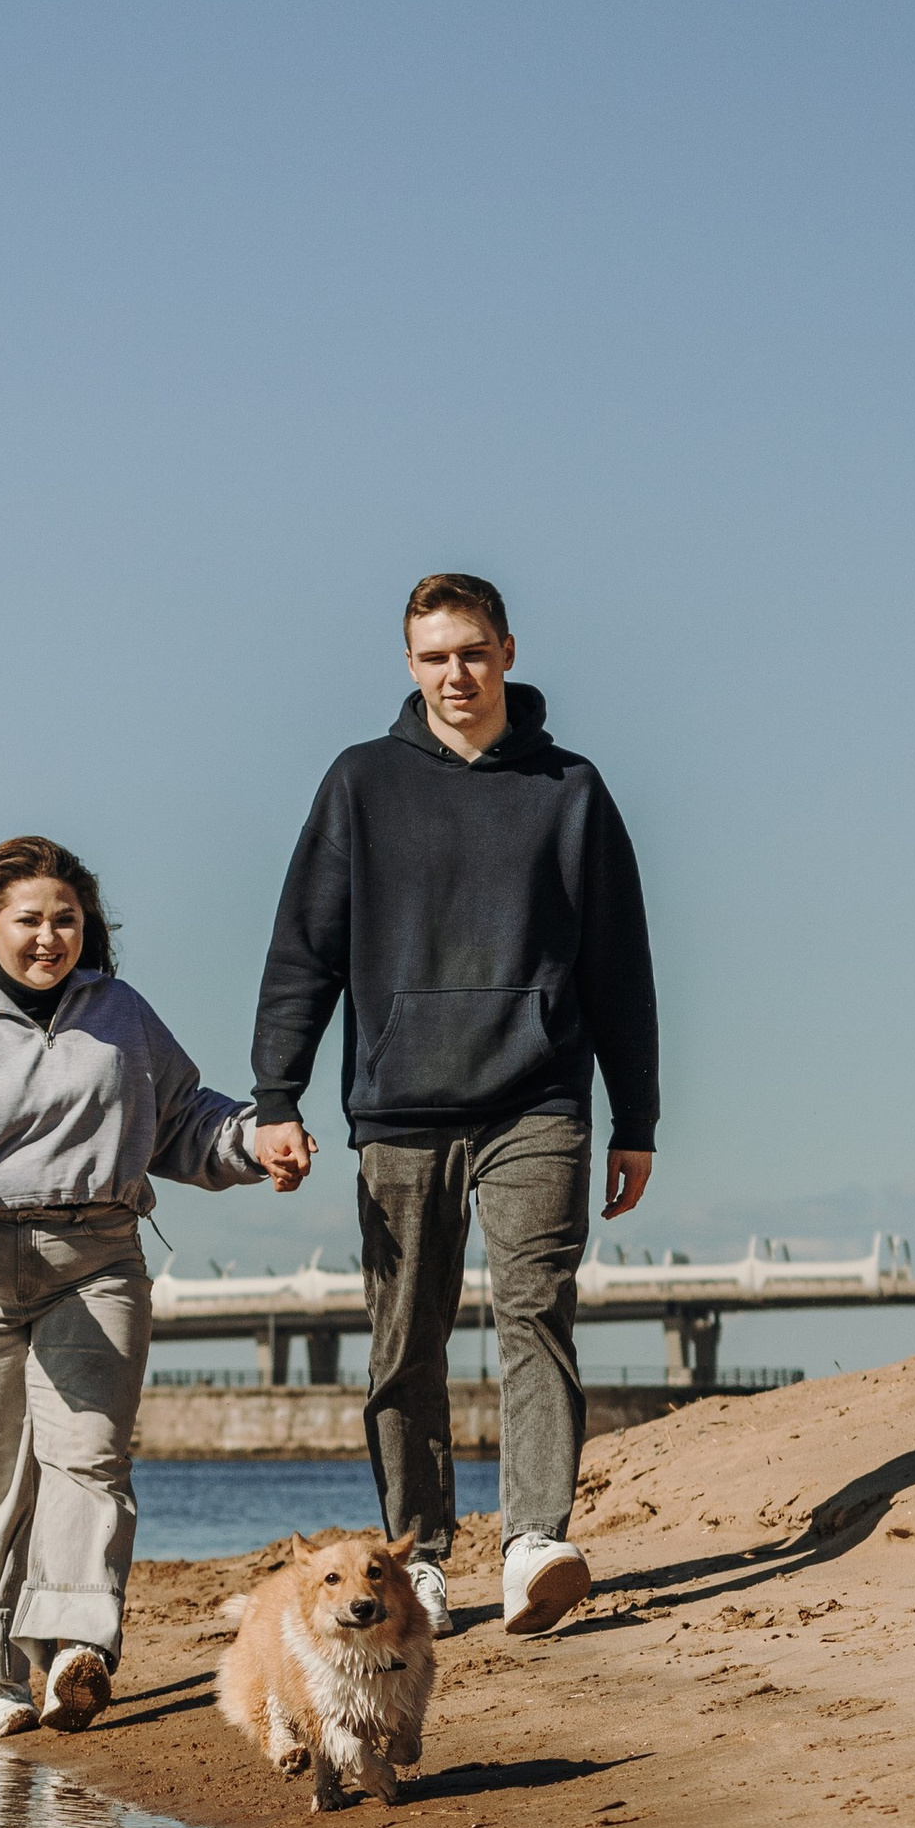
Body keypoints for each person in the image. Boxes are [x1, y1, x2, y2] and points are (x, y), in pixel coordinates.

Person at [249, 572, 657, 1640]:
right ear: (410, 664)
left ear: (507, 652)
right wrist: (276, 1094)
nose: (456, 674)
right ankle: (419, 1557)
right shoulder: (361, 783)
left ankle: (534, 1543)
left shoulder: (569, 789)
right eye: (434, 657)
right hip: (399, 1105)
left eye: (472, 652)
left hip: (539, 1097)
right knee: (405, 1340)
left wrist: (638, 1117)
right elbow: (304, 949)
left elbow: (620, 966)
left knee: (536, 1314)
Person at [0, 836, 287, 1739]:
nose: (49, 937)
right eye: (29, 920)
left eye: (66, 920)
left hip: (96, 1258)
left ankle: (74, 1651)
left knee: (90, 1457)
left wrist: (256, 1142)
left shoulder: (120, 1013)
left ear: (86, 927)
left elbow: (183, 1119)